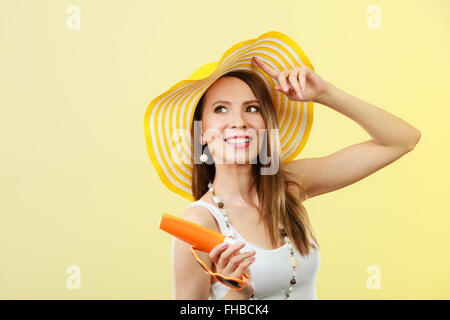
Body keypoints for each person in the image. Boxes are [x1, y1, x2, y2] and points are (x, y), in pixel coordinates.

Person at [144, 31, 421, 300]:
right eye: (221, 109)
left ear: (266, 125)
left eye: (252, 108)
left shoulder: (288, 184)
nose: (239, 121)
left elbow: (401, 140)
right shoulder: (199, 223)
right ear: (201, 132)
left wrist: (325, 94)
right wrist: (237, 295)